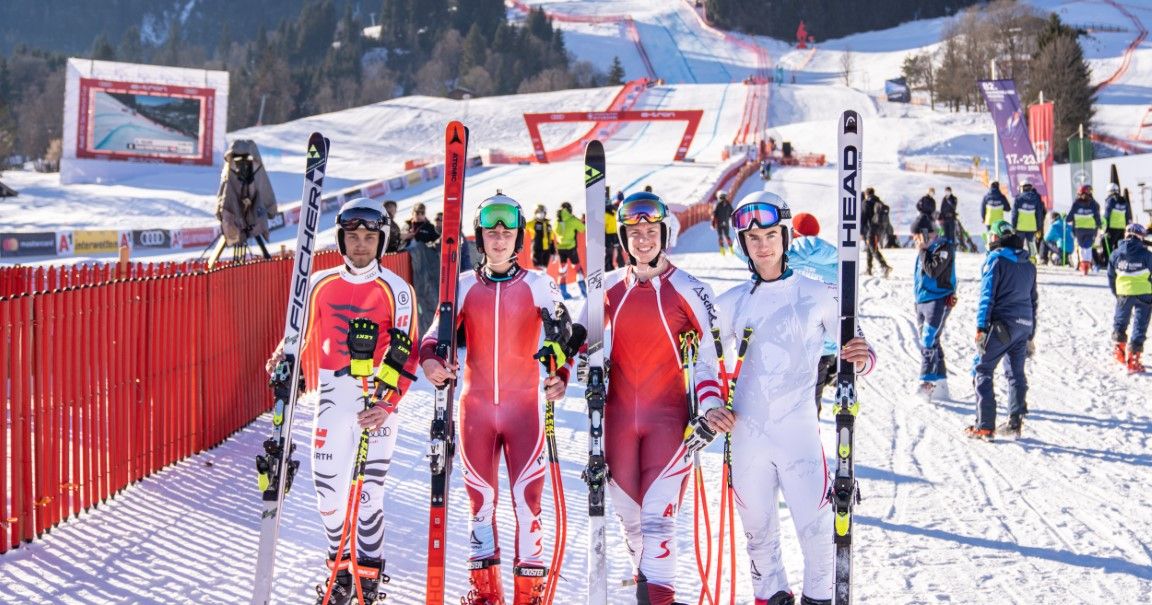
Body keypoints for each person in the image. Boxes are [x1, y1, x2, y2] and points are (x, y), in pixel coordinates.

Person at [716, 191, 875, 605]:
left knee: (820, 535)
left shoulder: (817, 293)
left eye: (771, 235)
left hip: (800, 437)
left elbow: (858, 348)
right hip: (746, 441)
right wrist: (711, 400)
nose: (763, 245)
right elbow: (701, 360)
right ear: (743, 245)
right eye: (753, 239)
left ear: (786, 237)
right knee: (759, 540)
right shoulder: (732, 303)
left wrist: (860, 357)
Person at [419, 193, 577, 604]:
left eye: (508, 231)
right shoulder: (464, 286)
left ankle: (530, 595)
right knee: (481, 505)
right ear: (480, 238)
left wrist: (560, 374)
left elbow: (567, 338)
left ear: (519, 238)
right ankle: (486, 593)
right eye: (492, 231)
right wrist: (430, 362)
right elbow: (434, 337)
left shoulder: (540, 285)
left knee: (528, 504)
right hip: (476, 413)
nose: (500, 238)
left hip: (525, 409)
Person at [265, 197, 420, 604]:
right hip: (333, 395)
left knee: (368, 497)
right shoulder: (319, 282)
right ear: (341, 238)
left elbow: (409, 350)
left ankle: (367, 578)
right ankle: (340, 571)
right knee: (329, 497)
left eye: (370, 237)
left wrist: (387, 402)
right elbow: (297, 337)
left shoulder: (397, 289)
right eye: (353, 237)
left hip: (376, 400)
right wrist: (285, 356)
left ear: (382, 240)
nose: (361, 245)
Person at [585, 191, 725, 605]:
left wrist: (711, 404)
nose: (642, 240)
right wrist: (566, 365)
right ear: (622, 238)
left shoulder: (691, 290)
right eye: (634, 232)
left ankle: (657, 600)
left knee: (659, 524)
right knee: (632, 525)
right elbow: (578, 340)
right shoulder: (607, 288)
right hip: (617, 422)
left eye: (650, 231)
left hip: (670, 421)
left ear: (665, 234)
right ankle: (651, 593)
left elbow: (709, 361)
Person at [968, 220, 1038, 440]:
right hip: (1023, 325)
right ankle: (1015, 423)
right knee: (1015, 373)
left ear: (996, 238)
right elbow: (1033, 300)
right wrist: (1031, 334)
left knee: (983, 369)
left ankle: (985, 425)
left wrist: (981, 327)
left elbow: (987, 296)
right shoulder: (1029, 263)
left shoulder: (996, 259)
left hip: (1002, 325)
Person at [786, 212, 840, 415]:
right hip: (827, 348)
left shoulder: (789, 259)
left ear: (795, 234)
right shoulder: (835, 262)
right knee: (809, 411)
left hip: (796, 346)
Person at [911, 218, 957, 402]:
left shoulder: (943, 248)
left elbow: (933, 270)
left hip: (938, 299)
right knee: (932, 341)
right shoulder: (926, 250)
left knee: (928, 339)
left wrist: (922, 251)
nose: (916, 241)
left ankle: (926, 382)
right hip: (922, 300)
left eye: (917, 237)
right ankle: (942, 385)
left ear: (925, 233)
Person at [216, 139, 278, 249]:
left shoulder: (231, 168)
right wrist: (271, 210)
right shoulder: (255, 168)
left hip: (241, 218)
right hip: (247, 218)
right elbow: (265, 189)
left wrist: (220, 212)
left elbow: (223, 195)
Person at [1107, 223, 1151, 373]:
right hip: (1145, 294)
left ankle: (1119, 352)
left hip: (1124, 293)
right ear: (1140, 237)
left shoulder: (1115, 254)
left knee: (1120, 322)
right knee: (1140, 324)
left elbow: (1111, 277)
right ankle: (1134, 359)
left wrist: (1117, 293)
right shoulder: (1147, 255)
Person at [1066, 184, 1103, 275]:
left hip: (1079, 230)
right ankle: (1086, 265)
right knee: (1088, 248)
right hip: (1090, 229)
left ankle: (1084, 266)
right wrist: (1099, 225)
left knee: (1082, 248)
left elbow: (1070, 217)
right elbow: (1097, 216)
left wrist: (1067, 219)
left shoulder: (1076, 203)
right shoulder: (1093, 203)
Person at [554, 201, 587, 299]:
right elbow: (582, 228)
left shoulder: (557, 220)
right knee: (577, 268)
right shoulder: (572, 219)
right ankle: (584, 292)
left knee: (563, 270)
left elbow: (556, 231)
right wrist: (582, 221)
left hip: (560, 248)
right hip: (571, 248)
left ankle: (563, 293)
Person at [860, 187, 892, 277]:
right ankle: (869, 269)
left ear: (866, 194)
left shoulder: (866, 203)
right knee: (870, 247)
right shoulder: (879, 202)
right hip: (880, 230)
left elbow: (863, 218)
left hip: (871, 230)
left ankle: (884, 266)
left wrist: (862, 232)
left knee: (873, 248)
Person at [1011, 179, 1045, 261]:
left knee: (1019, 245)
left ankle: (1019, 262)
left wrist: (1013, 226)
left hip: (1020, 227)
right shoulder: (1036, 198)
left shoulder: (1018, 198)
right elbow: (1039, 214)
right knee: (1031, 245)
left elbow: (1014, 214)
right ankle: (1032, 262)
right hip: (1032, 227)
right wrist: (1039, 227)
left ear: (1022, 188)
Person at [1103, 182, 1132, 257]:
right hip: (1121, 227)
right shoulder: (1123, 200)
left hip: (1112, 227)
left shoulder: (1110, 200)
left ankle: (1109, 261)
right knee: (1119, 245)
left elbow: (1106, 215)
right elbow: (1128, 215)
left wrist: (1104, 227)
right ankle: (1119, 260)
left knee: (1107, 244)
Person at [526, 204, 558, 272]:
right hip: (537, 250)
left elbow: (551, 239)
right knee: (538, 270)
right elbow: (523, 226)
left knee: (544, 271)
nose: (540, 214)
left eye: (542, 213)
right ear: (535, 213)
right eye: (538, 212)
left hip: (547, 251)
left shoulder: (548, 225)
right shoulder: (532, 223)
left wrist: (553, 252)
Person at [712, 191, 735, 255]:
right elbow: (732, 213)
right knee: (727, 236)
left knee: (720, 236)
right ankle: (731, 249)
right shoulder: (728, 204)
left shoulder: (718, 205)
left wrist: (713, 223)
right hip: (726, 223)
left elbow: (714, 214)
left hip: (719, 224)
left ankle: (722, 250)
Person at [606, 196, 624, 270]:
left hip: (615, 234)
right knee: (610, 252)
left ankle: (620, 265)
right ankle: (609, 268)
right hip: (609, 235)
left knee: (618, 250)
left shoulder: (614, 211)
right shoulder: (604, 214)